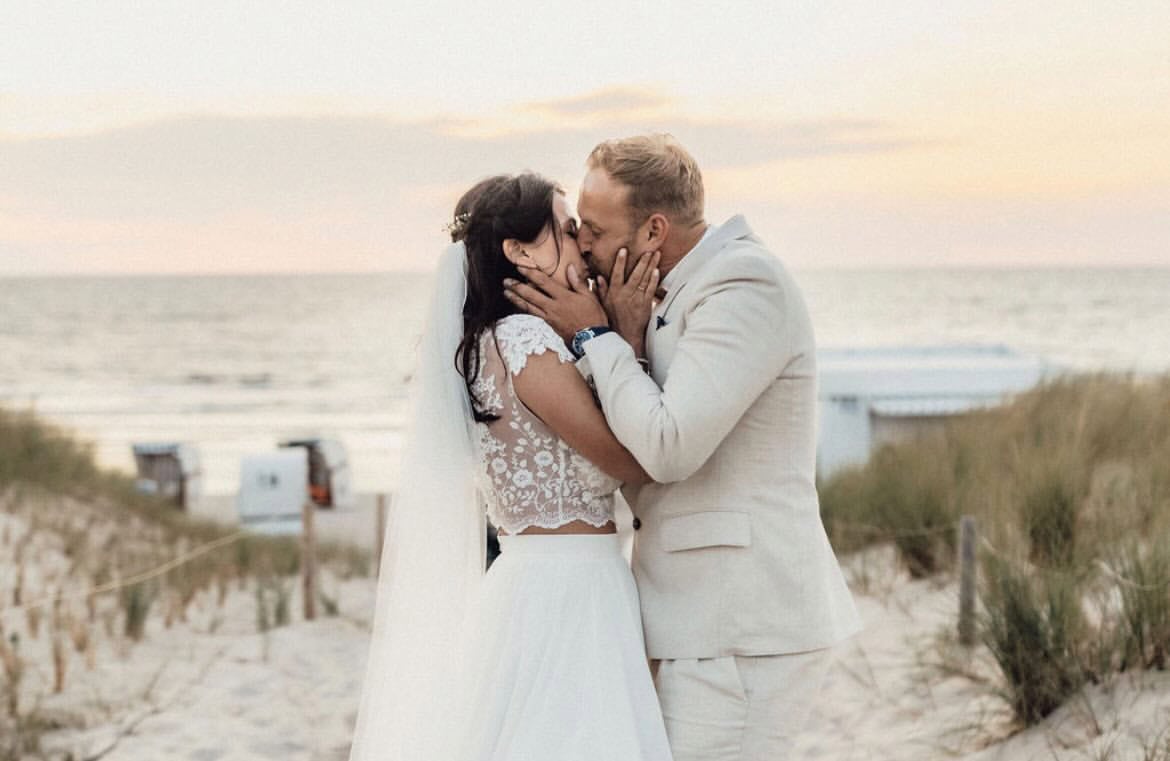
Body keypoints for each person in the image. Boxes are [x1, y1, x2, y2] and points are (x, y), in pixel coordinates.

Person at [504, 134, 862, 761]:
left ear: (653, 231)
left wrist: (592, 333)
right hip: (687, 616)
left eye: (594, 226)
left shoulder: (744, 284)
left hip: (741, 624)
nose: (582, 242)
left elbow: (668, 448)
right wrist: (626, 336)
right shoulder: (649, 297)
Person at [347, 173, 673, 761]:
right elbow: (633, 458)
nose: (580, 244)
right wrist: (618, 335)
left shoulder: (487, 343)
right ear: (520, 251)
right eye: (567, 230)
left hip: (540, 581)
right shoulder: (524, 342)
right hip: (568, 592)